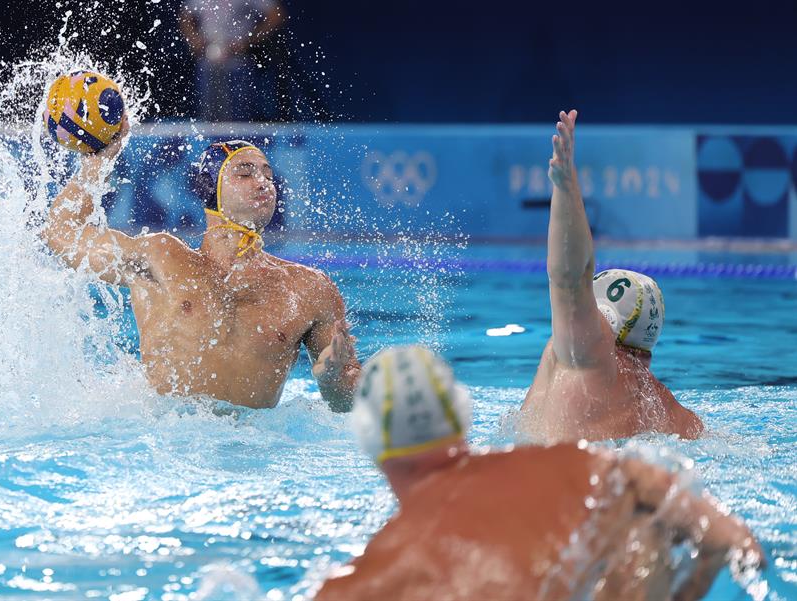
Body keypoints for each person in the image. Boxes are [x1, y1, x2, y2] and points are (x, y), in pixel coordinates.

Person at [317, 345, 764, 601]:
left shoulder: (365, 582)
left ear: (370, 444)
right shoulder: (577, 465)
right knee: (646, 535)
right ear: (462, 416)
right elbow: (735, 541)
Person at [42, 118, 360, 410]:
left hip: (255, 445)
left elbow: (348, 403)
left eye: (268, 175)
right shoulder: (162, 259)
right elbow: (62, 234)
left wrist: (332, 380)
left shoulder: (309, 288)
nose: (263, 182)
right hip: (167, 439)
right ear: (210, 187)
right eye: (245, 174)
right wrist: (97, 165)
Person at [519, 109, 703, 443]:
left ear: (602, 320)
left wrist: (565, 186)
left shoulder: (587, 353)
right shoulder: (669, 410)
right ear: (647, 352)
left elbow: (570, 278)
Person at [179, 0, 286, 122]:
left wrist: (248, 41)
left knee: (239, 118)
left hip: (239, 63)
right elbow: (185, 16)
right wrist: (194, 40)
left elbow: (276, 15)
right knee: (208, 117)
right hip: (208, 61)